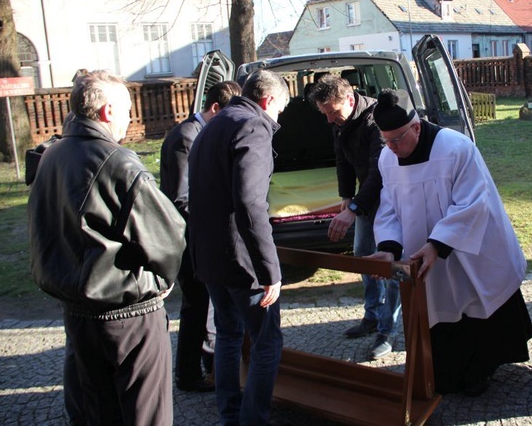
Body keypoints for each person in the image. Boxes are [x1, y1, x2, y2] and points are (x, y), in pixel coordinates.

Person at [27, 70, 186, 424]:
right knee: (146, 415)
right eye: (128, 109)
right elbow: (169, 236)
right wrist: (159, 282)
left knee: (97, 413)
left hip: (77, 311)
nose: (131, 118)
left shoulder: (50, 155)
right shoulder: (117, 161)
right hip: (126, 315)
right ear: (107, 111)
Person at [367, 90, 532, 396]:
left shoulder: (455, 148)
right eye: (385, 140)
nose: (392, 148)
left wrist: (438, 245)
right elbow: (389, 206)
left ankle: (480, 369)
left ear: (416, 126)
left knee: (475, 304)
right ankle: (443, 370)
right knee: (438, 310)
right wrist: (390, 247)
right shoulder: (387, 158)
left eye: (398, 139)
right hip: (422, 254)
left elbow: (473, 203)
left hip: (471, 248)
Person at [188, 69, 289, 425]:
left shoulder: (213, 123)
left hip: (209, 255)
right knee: (266, 342)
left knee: (229, 335)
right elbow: (250, 203)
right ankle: (253, 420)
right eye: (280, 111)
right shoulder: (253, 125)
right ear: (268, 101)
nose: (278, 119)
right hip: (240, 260)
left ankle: (230, 415)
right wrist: (269, 271)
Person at [309, 75, 401, 360]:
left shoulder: (376, 121)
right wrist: (346, 196)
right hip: (365, 199)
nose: (329, 120)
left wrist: (353, 210)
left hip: (392, 200)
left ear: (350, 100)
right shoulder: (340, 121)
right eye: (325, 114)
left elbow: (380, 173)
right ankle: (372, 315)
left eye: (333, 113)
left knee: (390, 265)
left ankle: (388, 330)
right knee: (362, 255)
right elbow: (342, 159)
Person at [160, 80, 241, 392]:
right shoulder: (186, 138)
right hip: (189, 238)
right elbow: (181, 197)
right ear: (215, 109)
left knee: (200, 305)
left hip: (197, 235)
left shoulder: (197, 133)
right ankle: (197, 374)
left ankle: (199, 371)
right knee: (199, 307)